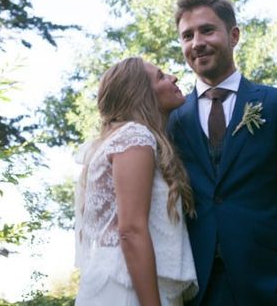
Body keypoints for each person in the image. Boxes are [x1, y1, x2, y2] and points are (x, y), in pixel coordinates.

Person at [168, 0, 277, 306]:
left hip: (272, 286)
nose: (196, 43)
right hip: (194, 291)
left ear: (233, 36)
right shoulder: (173, 119)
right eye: (187, 36)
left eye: (207, 30)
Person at [74, 57, 199, 306]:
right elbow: (131, 230)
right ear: (141, 94)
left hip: (133, 284)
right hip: (129, 290)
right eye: (161, 76)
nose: (173, 78)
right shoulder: (134, 137)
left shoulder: (124, 139)